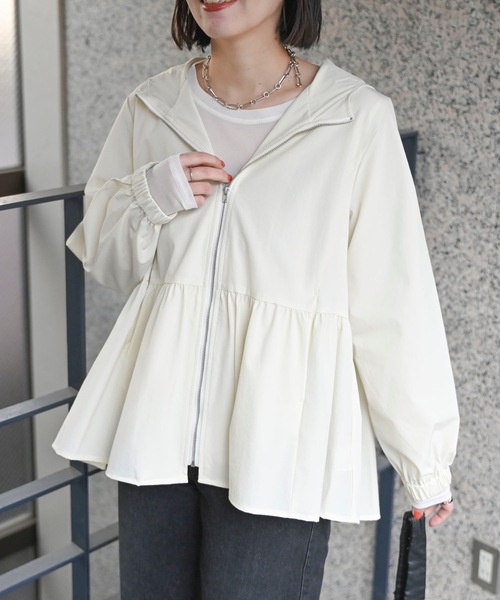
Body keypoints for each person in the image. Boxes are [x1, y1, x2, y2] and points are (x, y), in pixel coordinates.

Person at [53, 0, 460, 598]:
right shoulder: (153, 105)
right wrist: (150, 195)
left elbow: (393, 301)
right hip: (155, 426)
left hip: (278, 441)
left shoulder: (353, 118)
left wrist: (424, 462)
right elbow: (109, 262)